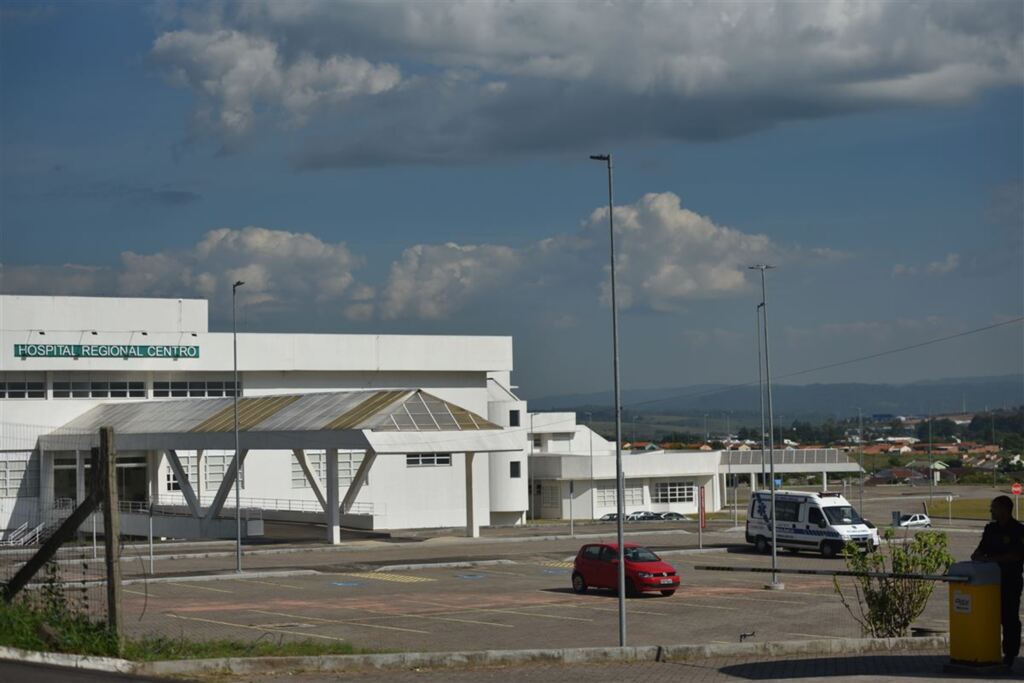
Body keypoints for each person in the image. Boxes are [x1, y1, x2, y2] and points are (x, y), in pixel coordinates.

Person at [971, 495, 1024, 669]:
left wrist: (991, 560)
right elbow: (979, 551)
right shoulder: (991, 529)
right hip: (988, 582)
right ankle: (988, 651)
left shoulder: (1018, 530)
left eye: (994, 507)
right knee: (989, 616)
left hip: (1010, 580)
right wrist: (981, 557)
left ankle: (1010, 654)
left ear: (1004, 510)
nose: (991, 510)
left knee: (1009, 617)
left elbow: (1016, 556)